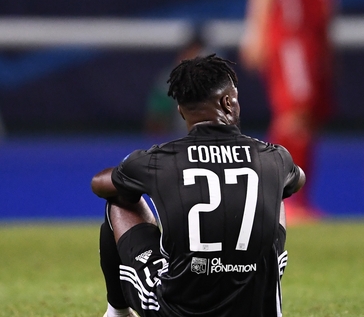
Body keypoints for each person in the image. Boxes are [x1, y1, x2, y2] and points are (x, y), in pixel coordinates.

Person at [91, 54, 305, 317]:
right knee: (276, 189)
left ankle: (117, 313)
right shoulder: (273, 156)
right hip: (254, 307)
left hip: (177, 310)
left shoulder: (159, 160)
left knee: (120, 198)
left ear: (181, 111)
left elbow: (99, 184)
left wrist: (132, 172)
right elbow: (298, 178)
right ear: (228, 101)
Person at [239, 0, 356, 223]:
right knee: (294, 114)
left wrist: (329, 47)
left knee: (310, 119)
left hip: (315, 43)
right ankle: (279, 199)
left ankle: (298, 199)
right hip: (289, 38)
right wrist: (255, 33)